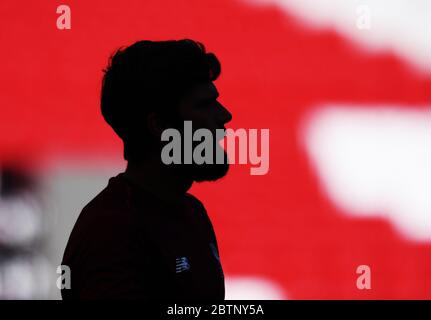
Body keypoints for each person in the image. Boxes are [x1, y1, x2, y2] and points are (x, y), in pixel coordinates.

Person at [61, 39, 232, 300]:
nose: (224, 115)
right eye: (204, 105)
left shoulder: (192, 212)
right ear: (160, 125)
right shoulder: (111, 232)